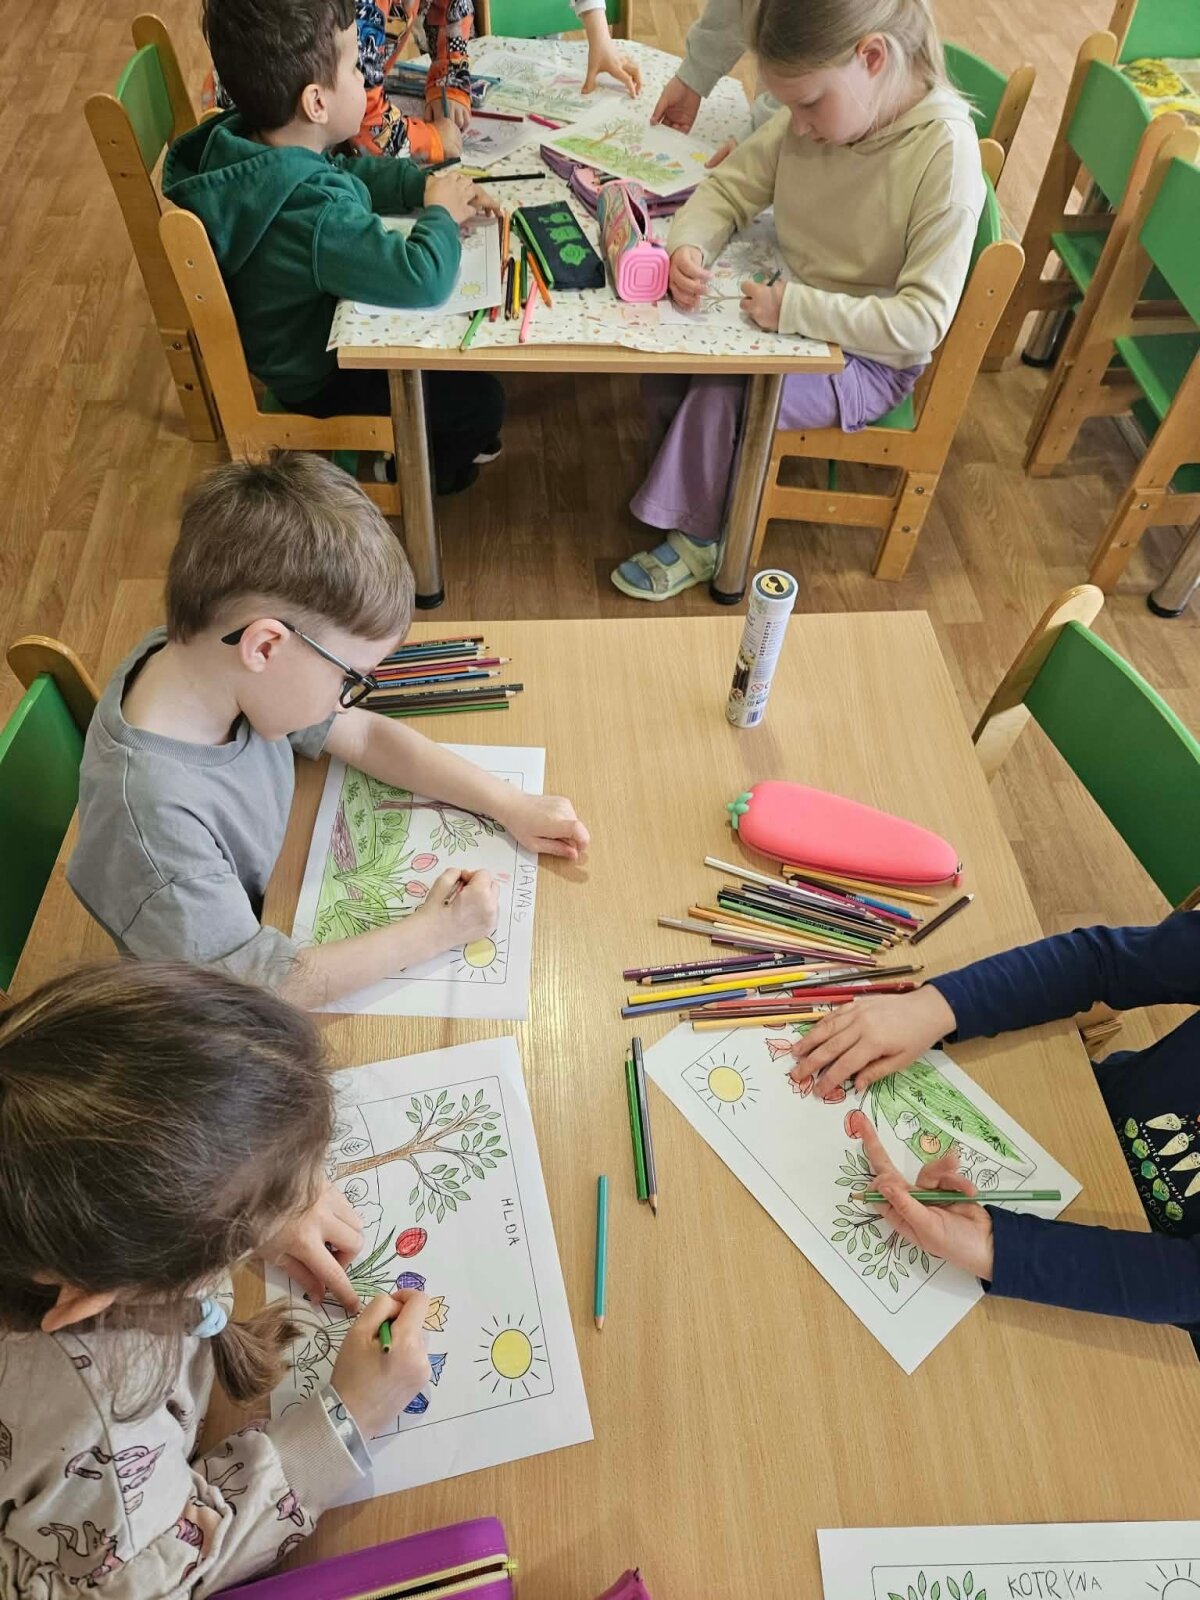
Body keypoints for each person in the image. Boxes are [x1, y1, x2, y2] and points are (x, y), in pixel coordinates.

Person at [68, 454, 589, 1008]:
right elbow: (261, 989)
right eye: (348, 679)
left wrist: (510, 803)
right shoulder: (154, 827)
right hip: (204, 997)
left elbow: (363, 737)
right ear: (265, 646)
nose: (344, 701)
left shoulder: (205, 658)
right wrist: (437, 931)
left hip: (267, 901)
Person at [0, 961, 431, 1593]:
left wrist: (267, 1181)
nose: (306, 1192)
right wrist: (348, 1419)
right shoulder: (100, 1422)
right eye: (246, 1221)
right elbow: (160, 1574)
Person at [611, 0, 983, 601]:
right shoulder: (818, 112)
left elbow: (921, 323)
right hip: (791, 308)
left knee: (725, 392)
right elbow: (729, 189)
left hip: (866, 359)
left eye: (809, 104)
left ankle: (704, 537)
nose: (800, 126)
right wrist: (689, 247)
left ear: (872, 58)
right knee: (669, 355)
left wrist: (794, 310)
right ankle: (686, 485)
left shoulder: (943, 154)